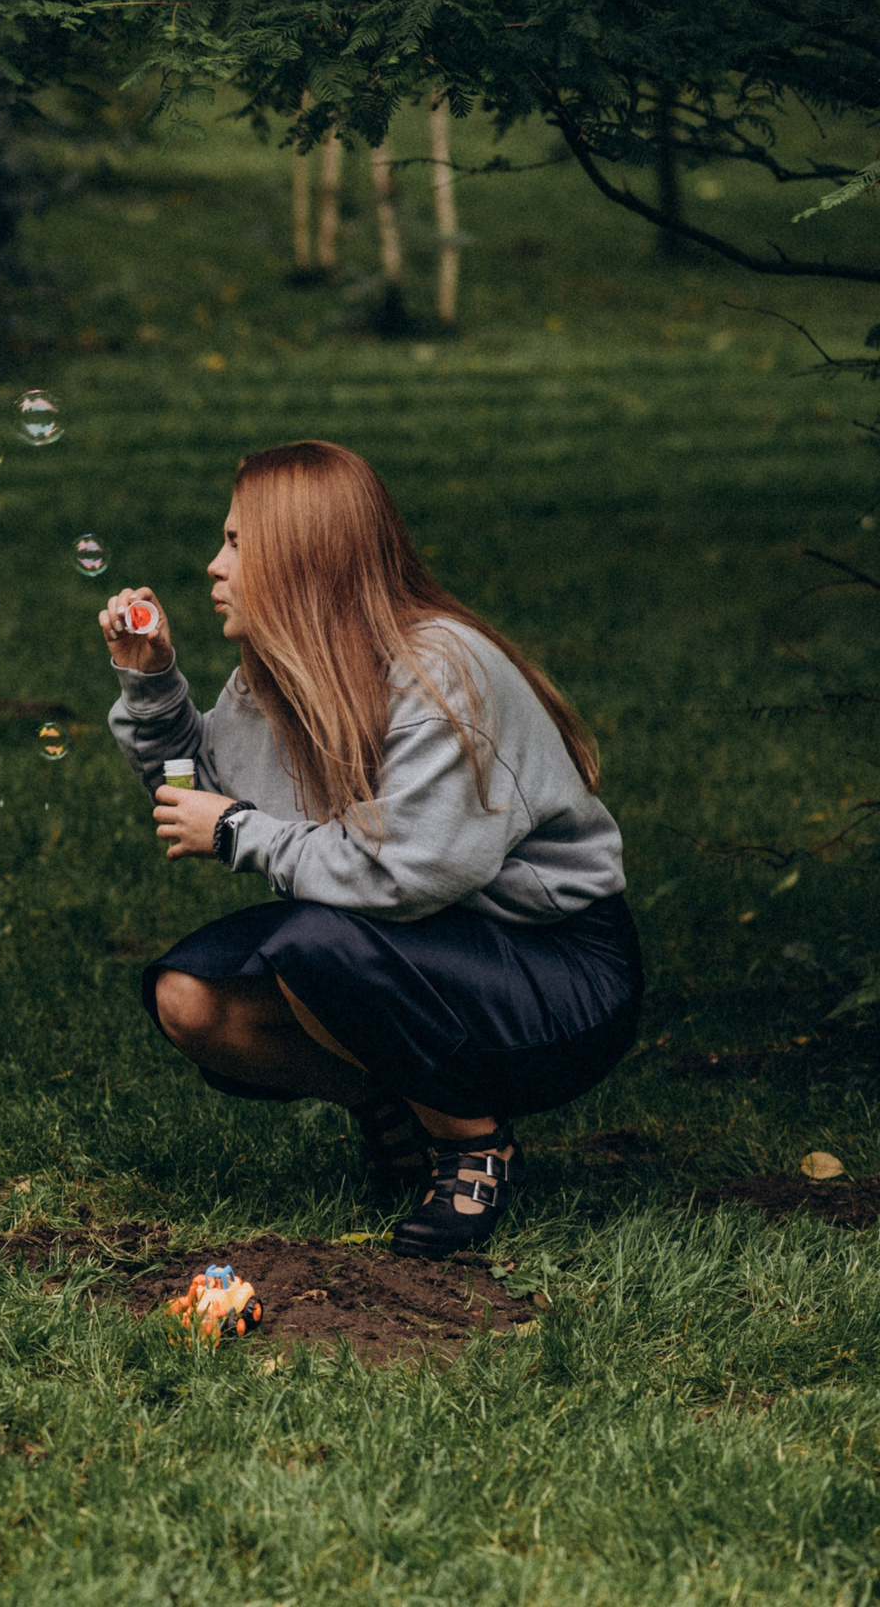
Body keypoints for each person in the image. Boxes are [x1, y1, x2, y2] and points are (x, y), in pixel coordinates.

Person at [101, 441, 638, 1257]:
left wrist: (238, 832)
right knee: (190, 998)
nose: (213, 567)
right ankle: (392, 1101)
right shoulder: (276, 675)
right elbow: (198, 792)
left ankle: (473, 1145)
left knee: (315, 945)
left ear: (299, 557)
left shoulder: (443, 669)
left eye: (237, 544)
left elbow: (413, 872)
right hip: (421, 943)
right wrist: (152, 683)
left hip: (559, 969)